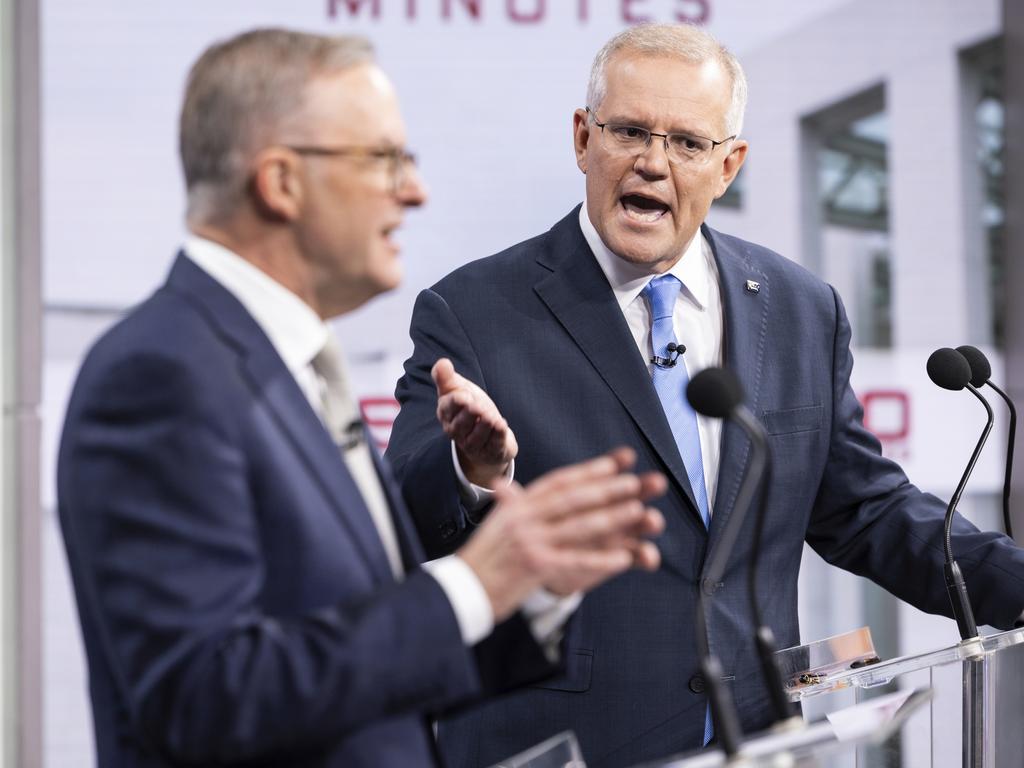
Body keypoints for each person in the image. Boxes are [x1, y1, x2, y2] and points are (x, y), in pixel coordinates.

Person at [387, 22, 1024, 768]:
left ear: (729, 165)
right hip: (560, 744)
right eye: (628, 131)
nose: (653, 163)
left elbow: (863, 508)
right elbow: (402, 516)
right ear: (582, 138)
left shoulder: (799, 307)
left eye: (688, 143)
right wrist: (473, 473)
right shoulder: (475, 309)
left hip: (751, 740)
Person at [56, 29, 668, 768]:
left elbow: (381, 672)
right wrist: (472, 583)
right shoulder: (161, 373)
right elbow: (204, 697)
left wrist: (529, 589)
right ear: (280, 182)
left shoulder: (289, 365)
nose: (415, 191)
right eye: (383, 160)